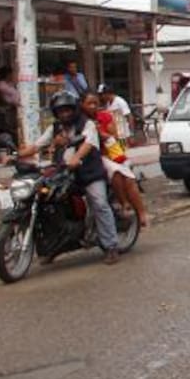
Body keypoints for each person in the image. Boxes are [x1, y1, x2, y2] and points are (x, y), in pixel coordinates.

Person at [13, 90, 120, 264]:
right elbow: (36, 146)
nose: (65, 114)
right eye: (61, 111)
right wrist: (16, 155)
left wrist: (76, 158)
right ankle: (53, 245)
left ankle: (111, 246)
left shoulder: (87, 124)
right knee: (47, 202)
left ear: (74, 109)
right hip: (63, 174)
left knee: (99, 203)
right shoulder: (55, 127)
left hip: (89, 173)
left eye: (68, 110)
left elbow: (88, 144)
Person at [91, 104, 149, 231]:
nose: (93, 106)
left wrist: (100, 133)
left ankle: (135, 209)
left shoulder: (104, 117)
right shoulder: (80, 121)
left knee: (127, 177)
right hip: (94, 158)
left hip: (112, 154)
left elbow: (113, 137)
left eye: (95, 103)